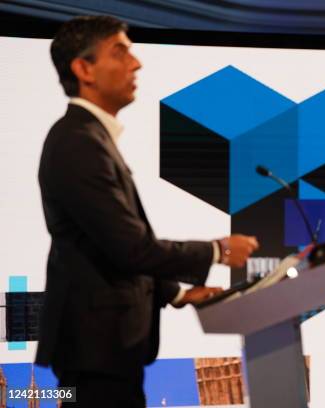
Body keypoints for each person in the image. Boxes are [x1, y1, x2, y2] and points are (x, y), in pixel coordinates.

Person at [35, 16, 259, 407]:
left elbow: (105, 248)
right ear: (83, 68)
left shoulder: (90, 138)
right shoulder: (77, 143)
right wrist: (218, 250)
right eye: (120, 52)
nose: (135, 63)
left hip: (108, 348)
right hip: (96, 349)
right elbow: (131, 248)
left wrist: (178, 294)